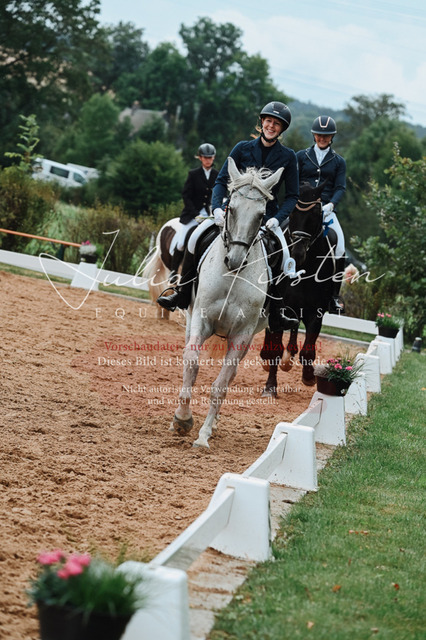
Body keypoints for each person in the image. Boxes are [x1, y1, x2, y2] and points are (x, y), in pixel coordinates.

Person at [157, 102, 300, 331]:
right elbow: (221, 181)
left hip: (266, 218)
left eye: (276, 124)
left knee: (284, 255)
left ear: (282, 129)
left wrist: (277, 218)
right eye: (268, 121)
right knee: (194, 237)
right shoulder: (242, 148)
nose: (271, 126)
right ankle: (182, 293)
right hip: (231, 212)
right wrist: (216, 208)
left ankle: (277, 311)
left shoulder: (288, 157)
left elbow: (292, 195)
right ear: (262, 122)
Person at [296, 116, 347, 313]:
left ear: (332, 137)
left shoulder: (338, 161)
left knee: (340, 246)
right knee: (280, 237)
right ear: (314, 135)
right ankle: (274, 282)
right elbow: (295, 181)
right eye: (319, 134)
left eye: (326, 135)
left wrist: (331, 205)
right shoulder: (301, 156)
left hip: (325, 210)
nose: (322, 138)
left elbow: (340, 187)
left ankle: (334, 296)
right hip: (302, 209)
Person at [168, 143, 219, 282]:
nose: (208, 160)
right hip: (192, 215)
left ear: (213, 158)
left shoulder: (217, 175)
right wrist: (196, 214)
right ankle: (173, 271)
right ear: (200, 158)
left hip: (210, 215)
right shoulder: (193, 174)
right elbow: (186, 196)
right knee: (181, 243)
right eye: (205, 157)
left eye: (210, 157)